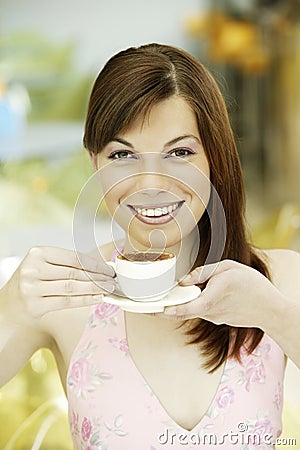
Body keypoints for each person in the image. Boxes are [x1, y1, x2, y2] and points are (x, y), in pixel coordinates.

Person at [1, 43, 299, 449]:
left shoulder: (279, 280)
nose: (151, 183)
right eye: (122, 155)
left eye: (180, 152)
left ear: (215, 158)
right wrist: (7, 309)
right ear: (94, 165)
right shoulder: (70, 297)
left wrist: (275, 314)